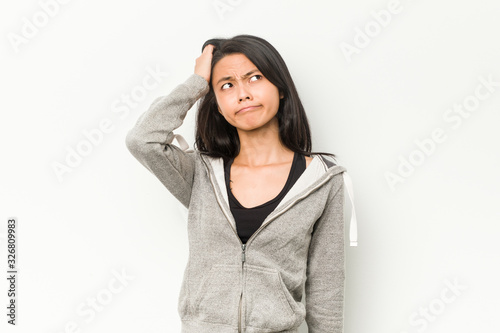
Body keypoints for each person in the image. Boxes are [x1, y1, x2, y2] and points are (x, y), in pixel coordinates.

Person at [125, 34, 357, 333]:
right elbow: (142, 140)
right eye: (227, 85)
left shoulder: (323, 180)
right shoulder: (199, 173)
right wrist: (196, 83)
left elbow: (327, 286)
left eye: (255, 78)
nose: (243, 94)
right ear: (217, 104)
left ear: (281, 89)